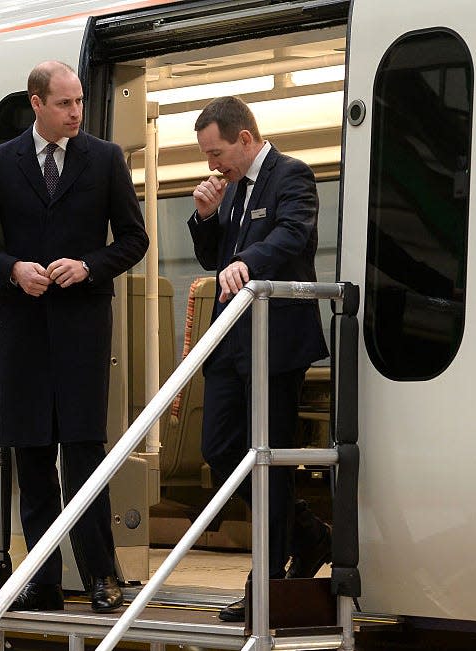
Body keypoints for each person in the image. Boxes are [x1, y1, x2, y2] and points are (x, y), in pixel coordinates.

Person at [0, 61, 149, 614]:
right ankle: (42, 582)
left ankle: (101, 578)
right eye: (65, 103)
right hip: (22, 333)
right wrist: (13, 268)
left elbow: (133, 240)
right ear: (36, 102)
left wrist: (89, 267)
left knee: (85, 456)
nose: (76, 112)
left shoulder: (106, 159)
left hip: (82, 333)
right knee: (34, 460)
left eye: (80, 102)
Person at [188, 96, 332, 622]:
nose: (212, 165)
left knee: (267, 456)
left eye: (217, 152)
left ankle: (265, 586)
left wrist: (247, 261)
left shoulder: (291, 175)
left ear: (245, 139)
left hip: (277, 342)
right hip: (231, 343)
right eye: (206, 155)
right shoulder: (227, 192)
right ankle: (309, 533)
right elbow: (213, 258)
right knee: (221, 449)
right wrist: (204, 217)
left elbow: (293, 236)